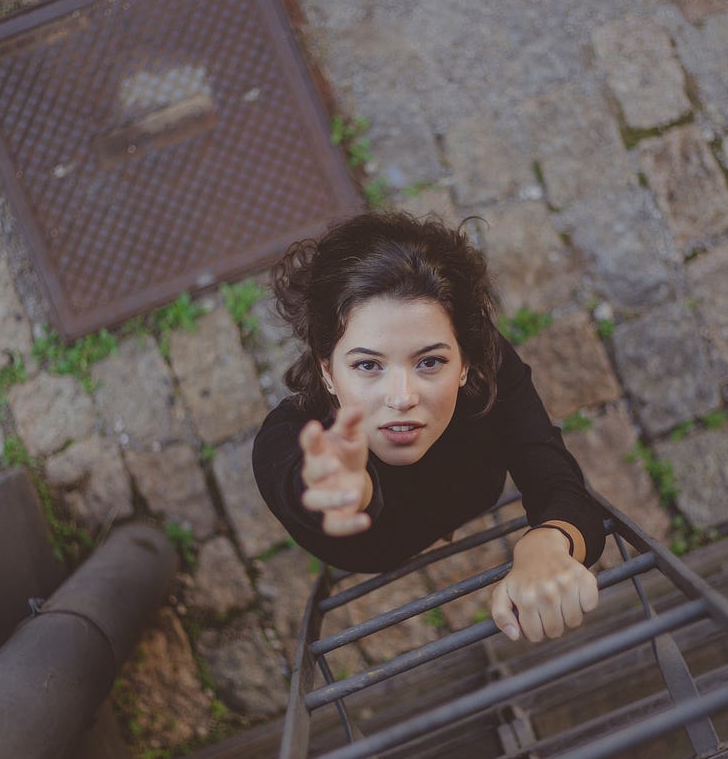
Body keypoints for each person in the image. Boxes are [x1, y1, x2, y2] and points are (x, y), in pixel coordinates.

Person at [252, 211, 606, 644]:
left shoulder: (488, 367)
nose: (402, 397)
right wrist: (340, 486)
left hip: (472, 493)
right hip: (378, 548)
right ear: (327, 371)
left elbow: (555, 477)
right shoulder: (286, 436)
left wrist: (548, 542)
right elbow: (292, 472)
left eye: (430, 362)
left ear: (466, 362)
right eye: (368, 365)